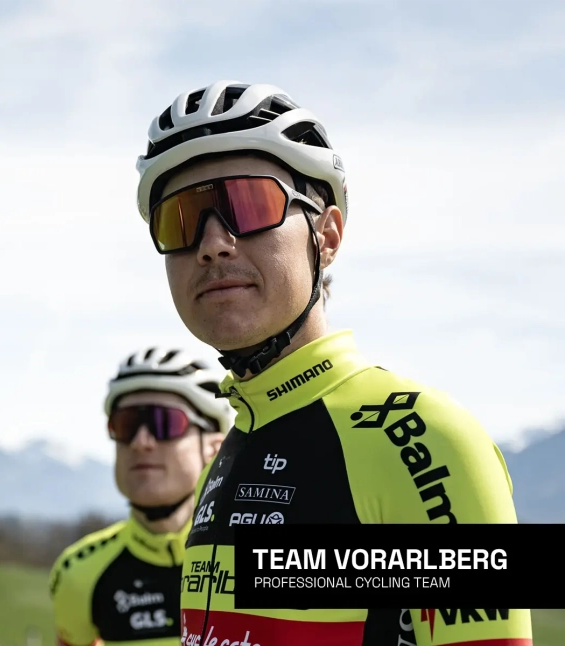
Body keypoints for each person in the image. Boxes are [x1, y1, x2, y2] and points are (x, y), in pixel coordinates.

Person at [133, 81, 534, 646]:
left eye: (250, 204)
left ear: (327, 236)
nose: (212, 243)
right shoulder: (230, 449)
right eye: (181, 219)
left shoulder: (423, 437)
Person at [47, 347, 232, 646]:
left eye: (164, 423)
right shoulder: (77, 573)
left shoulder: (264, 554)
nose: (141, 442)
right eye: (126, 425)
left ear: (215, 448)